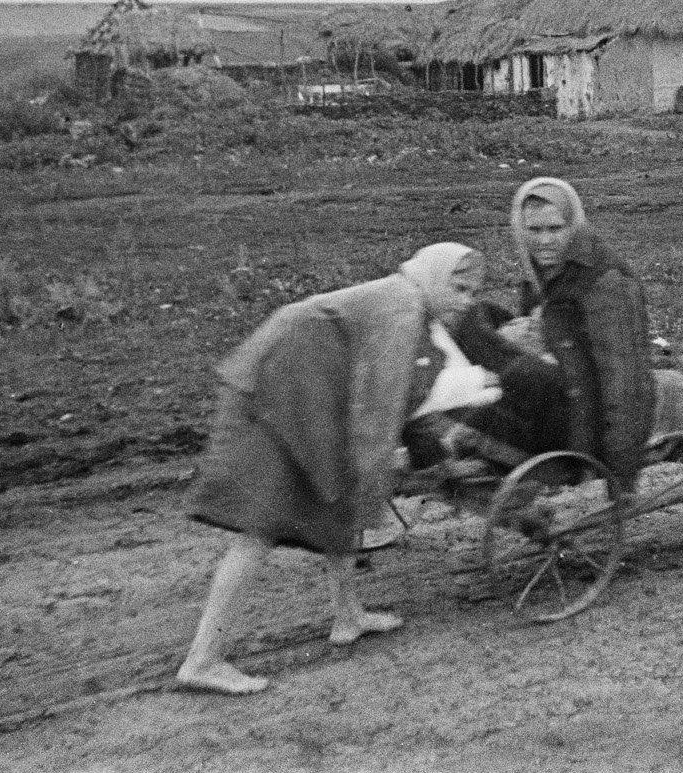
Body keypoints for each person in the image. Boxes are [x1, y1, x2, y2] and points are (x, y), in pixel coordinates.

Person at [176, 243, 500, 695]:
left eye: (473, 291)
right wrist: (377, 475)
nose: (467, 300)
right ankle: (203, 660)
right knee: (259, 530)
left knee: (338, 495)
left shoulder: (408, 297)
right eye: (458, 287)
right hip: (281, 396)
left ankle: (347, 616)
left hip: (304, 390)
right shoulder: (402, 308)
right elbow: (379, 411)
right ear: (432, 276)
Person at [508, 177, 655, 494]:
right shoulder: (539, 276)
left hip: (598, 422)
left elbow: (625, 381)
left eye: (555, 229)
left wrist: (620, 472)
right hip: (563, 407)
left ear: (573, 226)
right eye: (534, 231)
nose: (544, 241)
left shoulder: (605, 281)